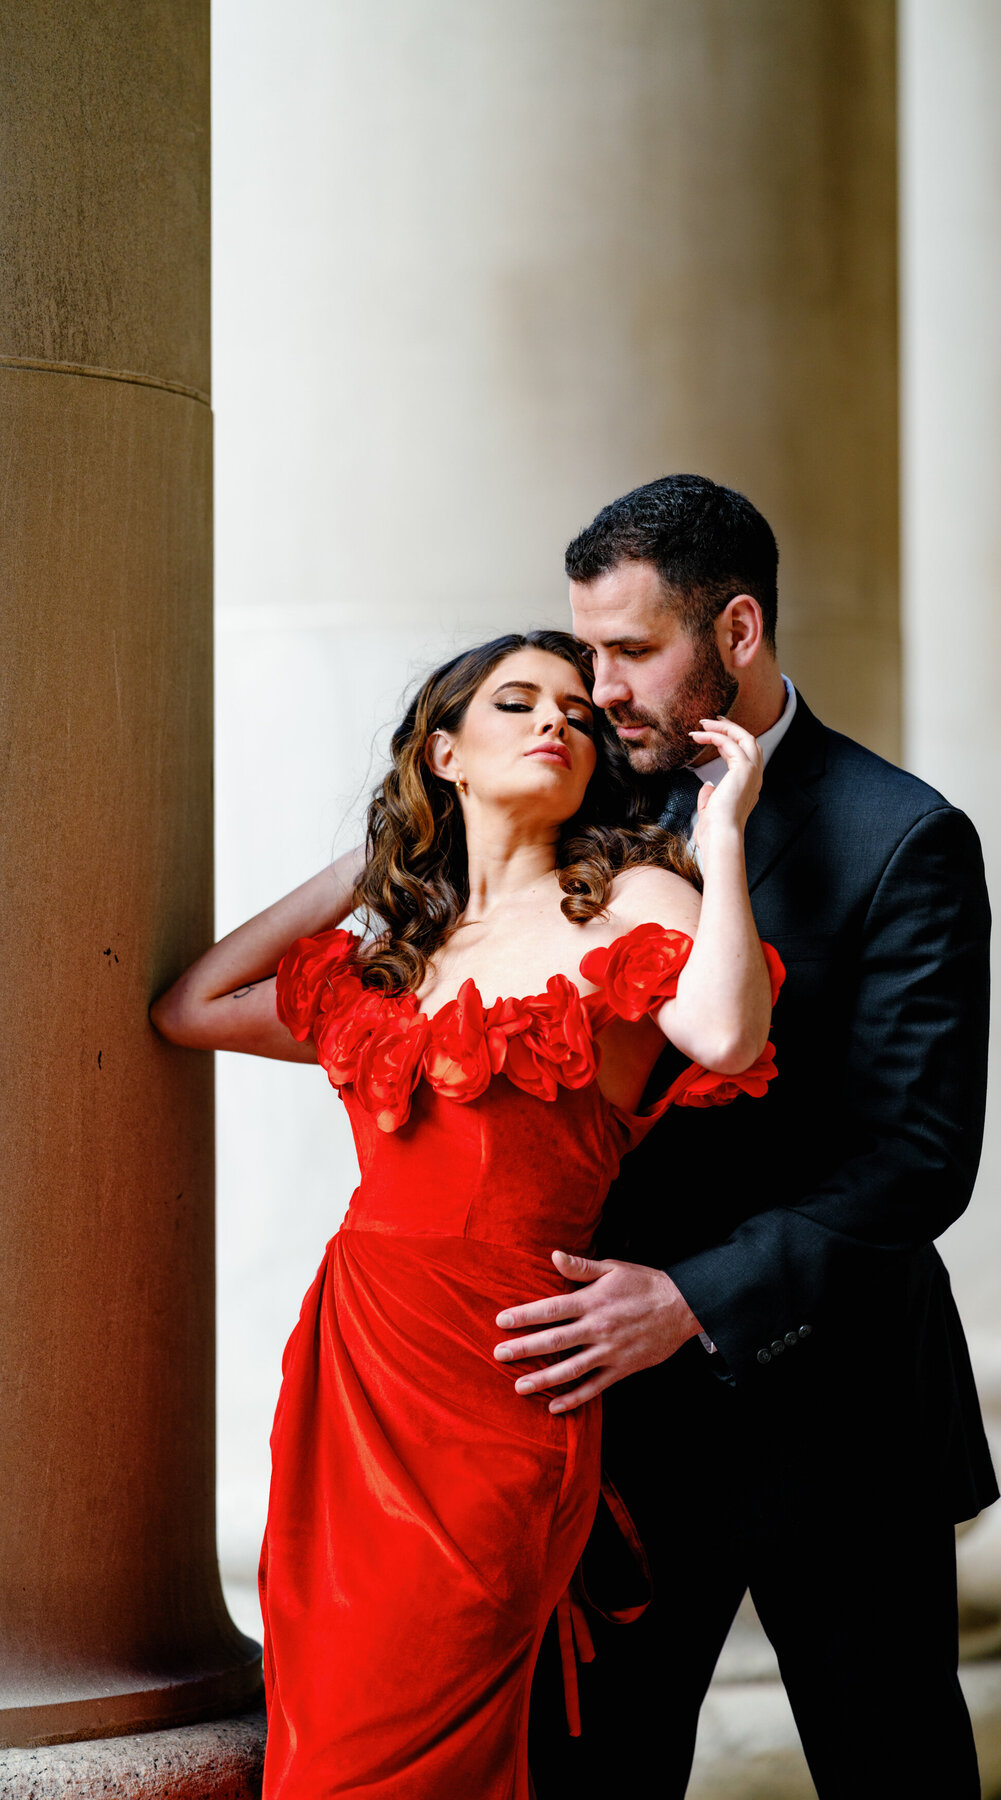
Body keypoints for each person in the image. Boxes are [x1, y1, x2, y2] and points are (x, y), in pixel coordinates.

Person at [149, 629, 784, 1800]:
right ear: (444, 751)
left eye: (578, 714)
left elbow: (728, 1035)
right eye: (517, 702)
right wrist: (377, 862)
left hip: (503, 1379)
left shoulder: (633, 899)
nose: (559, 722)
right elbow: (194, 1005)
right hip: (357, 1373)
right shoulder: (399, 963)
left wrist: (726, 835)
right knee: (327, 1712)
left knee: (432, 1720)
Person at [513, 478, 1000, 1800]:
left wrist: (692, 1301)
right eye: (584, 648)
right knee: (589, 1773)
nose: (595, 687)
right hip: (615, 1420)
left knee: (892, 1768)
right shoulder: (568, 805)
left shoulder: (903, 838)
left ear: (736, 633)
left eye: (630, 651)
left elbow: (919, 1157)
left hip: (843, 1413)